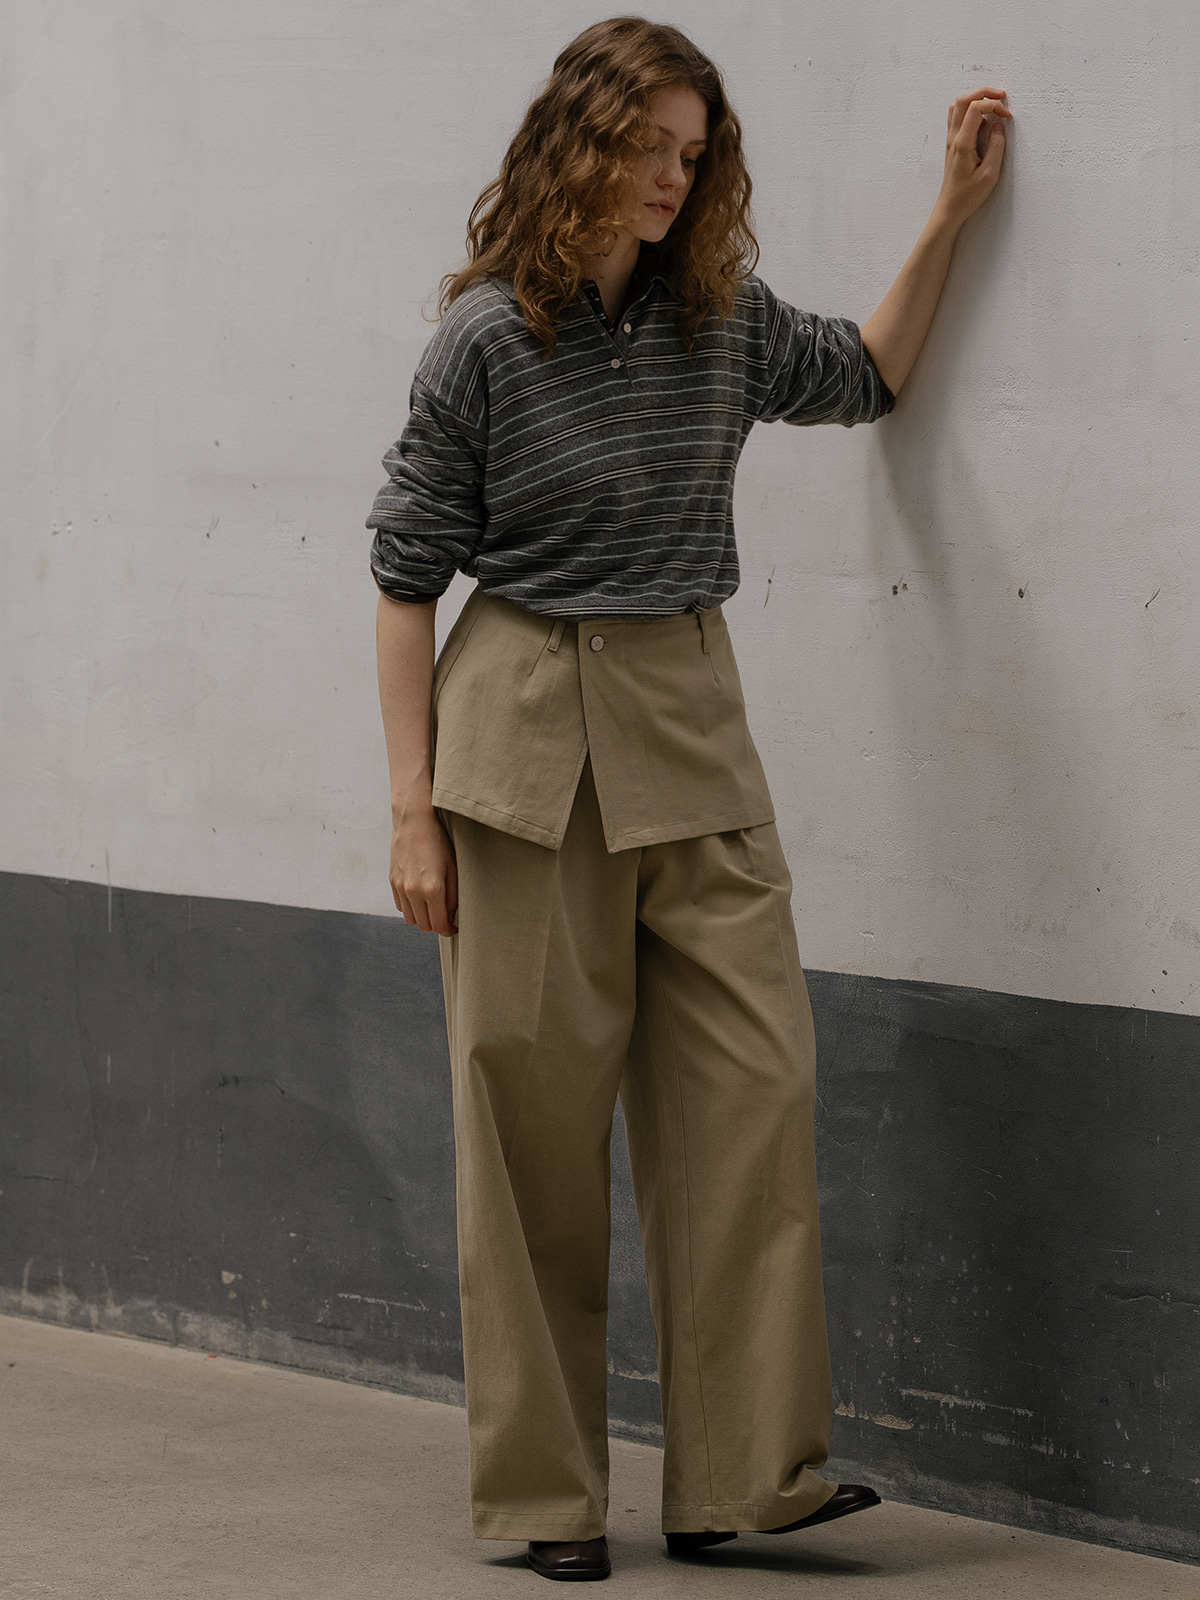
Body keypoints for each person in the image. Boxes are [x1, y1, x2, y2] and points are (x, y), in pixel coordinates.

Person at [369, 16, 1009, 1583]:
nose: (674, 177)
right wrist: (410, 809)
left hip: (688, 721)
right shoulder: (482, 342)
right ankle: (543, 1497)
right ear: (579, 141)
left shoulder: (719, 318)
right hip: (521, 735)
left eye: (694, 152)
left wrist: (949, 215)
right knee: (528, 1130)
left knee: (752, 1091)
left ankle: (742, 1481)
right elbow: (404, 579)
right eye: (650, 146)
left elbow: (867, 375)